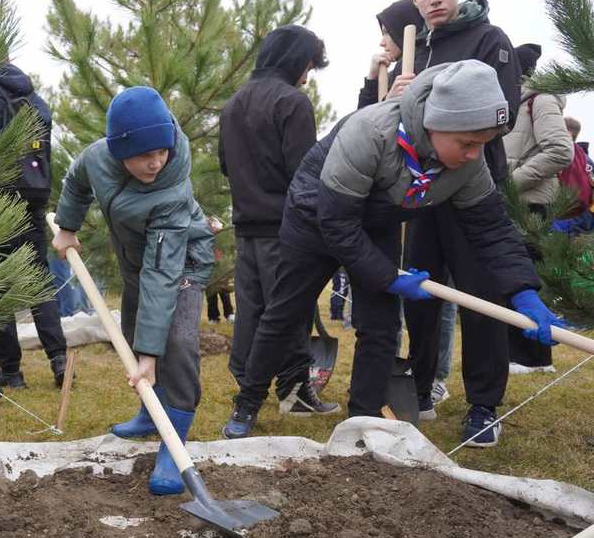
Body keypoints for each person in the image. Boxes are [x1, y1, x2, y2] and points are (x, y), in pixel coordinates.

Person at [224, 60, 560, 447]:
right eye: (467, 143)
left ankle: (362, 421)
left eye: (482, 144)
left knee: (382, 326)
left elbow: (492, 230)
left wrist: (524, 292)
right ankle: (247, 402)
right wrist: (388, 276)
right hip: (316, 213)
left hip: (375, 221)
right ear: (437, 123)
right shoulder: (369, 132)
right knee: (285, 312)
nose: (473, 155)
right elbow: (337, 225)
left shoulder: (469, 164)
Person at [387, 0, 523, 440]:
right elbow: (392, 126)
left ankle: (484, 406)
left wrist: (418, 92)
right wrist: (392, 95)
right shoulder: (417, 48)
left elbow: (498, 113)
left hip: (473, 190)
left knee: (480, 300)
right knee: (423, 295)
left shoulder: (490, 41)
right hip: (422, 192)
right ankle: (421, 388)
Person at [52, 86, 215, 495]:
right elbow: (75, 183)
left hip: (182, 263)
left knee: (174, 344)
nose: (156, 162)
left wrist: (149, 356)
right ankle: (149, 412)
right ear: (118, 150)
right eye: (145, 155)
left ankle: (173, 443)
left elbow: (163, 273)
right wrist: (68, 228)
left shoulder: (171, 190)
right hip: (138, 263)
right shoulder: (97, 158)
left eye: (162, 151)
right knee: (134, 328)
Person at [218, 25, 338, 427]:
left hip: (245, 225)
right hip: (283, 227)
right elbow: (304, 174)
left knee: (252, 310)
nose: (308, 74)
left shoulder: (233, 103)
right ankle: (294, 391)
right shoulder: (293, 103)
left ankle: (250, 377)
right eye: (308, 65)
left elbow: (224, 166)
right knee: (288, 311)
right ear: (296, 61)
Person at [0, 63, 69, 403]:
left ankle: (11, 371)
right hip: (32, 197)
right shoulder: (35, 99)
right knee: (38, 281)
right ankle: (59, 359)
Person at [504, 43, 574, 375]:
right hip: (515, 203)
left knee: (527, 280)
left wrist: (511, 183)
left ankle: (531, 358)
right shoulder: (512, 102)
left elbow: (561, 151)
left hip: (531, 205)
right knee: (512, 278)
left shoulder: (539, 101)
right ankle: (518, 353)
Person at [357, 0, 425, 109]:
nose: (382, 43)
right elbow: (363, 119)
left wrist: (388, 104)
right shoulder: (394, 78)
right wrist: (372, 78)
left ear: (401, 30)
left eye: (387, 33)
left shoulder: (429, 64)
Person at [205, 215, 234, 323]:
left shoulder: (222, 237)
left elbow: (227, 252)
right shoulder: (205, 236)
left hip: (221, 267)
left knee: (224, 293)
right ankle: (213, 317)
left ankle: (229, 314)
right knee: (211, 294)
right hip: (209, 267)